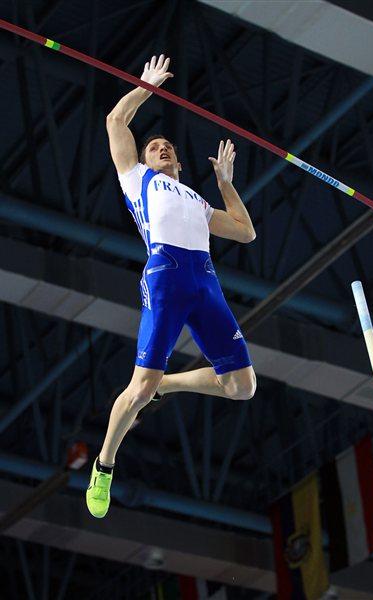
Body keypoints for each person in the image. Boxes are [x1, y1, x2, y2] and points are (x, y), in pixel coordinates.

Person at [86, 55, 257, 518]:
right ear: (141, 160)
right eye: (152, 146)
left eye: (165, 146)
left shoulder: (198, 201)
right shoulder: (135, 179)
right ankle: (104, 464)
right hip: (166, 276)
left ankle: (171, 384)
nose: (159, 147)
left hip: (205, 281)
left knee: (243, 387)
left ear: (178, 160)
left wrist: (225, 183)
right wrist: (146, 87)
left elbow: (245, 230)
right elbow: (116, 119)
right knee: (139, 388)